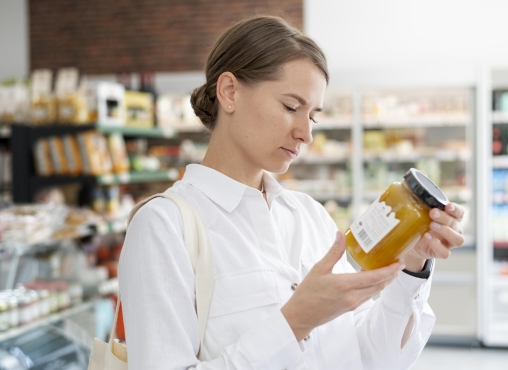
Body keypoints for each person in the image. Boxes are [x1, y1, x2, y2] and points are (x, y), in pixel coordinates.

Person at [118, 15, 465, 369]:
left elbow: (377, 359)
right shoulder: (163, 227)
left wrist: (411, 266)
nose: (306, 133)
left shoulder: (309, 215)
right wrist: (295, 321)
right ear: (229, 92)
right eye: (290, 107)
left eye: (312, 116)